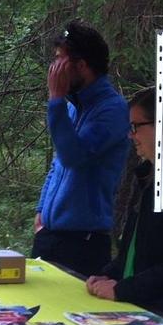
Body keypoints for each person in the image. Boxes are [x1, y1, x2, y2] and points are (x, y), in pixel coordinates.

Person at [32, 21, 129, 276]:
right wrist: (41, 211)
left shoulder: (112, 109)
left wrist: (55, 100)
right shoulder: (74, 106)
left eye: (60, 62)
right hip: (51, 236)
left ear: (82, 65)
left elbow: (74, 156)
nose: (54, 70)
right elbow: (57, 163)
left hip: (82, 244)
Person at [86, 87, 163, 320]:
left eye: (135, 127)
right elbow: (135, 249)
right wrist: (108, 274)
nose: (130, 136)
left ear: (161, 125)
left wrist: (123, 289)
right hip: (137, 306)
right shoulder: (146, 178)